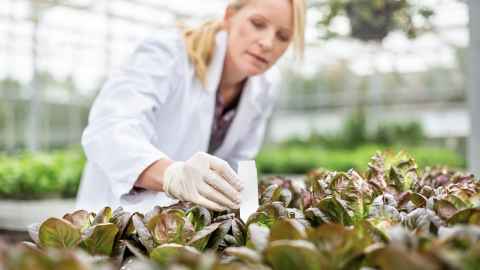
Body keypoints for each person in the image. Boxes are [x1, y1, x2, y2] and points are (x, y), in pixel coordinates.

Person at [76, 0, 306, 213]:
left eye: (283, 36)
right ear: (229, 16)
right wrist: (171, 175)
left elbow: (238, 162)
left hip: (181, 228)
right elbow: (109, 130)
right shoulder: (168, 53)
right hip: (115, 215)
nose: (267, 43)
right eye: (257, 24)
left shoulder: (266, 85)